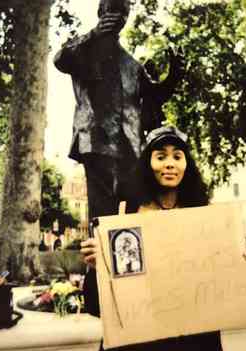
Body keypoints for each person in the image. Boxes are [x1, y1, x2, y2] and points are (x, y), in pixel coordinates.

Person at [80, 126, 230, 351]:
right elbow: (96, 304)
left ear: (187, 165)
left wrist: (241, 261)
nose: (169, 163)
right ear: (148, 163)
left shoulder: (204, 218)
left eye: (178, 156)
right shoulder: (123, 216)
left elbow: (221, 287)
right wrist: (96, 266)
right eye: (160, 156)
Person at [53, 0, 183, 221]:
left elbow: (154, 96)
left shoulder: (132, 65)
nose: (118, 16)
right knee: (103, 209)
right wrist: (95, 34)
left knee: (133, 206)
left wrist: (174, 76)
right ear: (101, 12)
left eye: (124, 12)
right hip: (97, 140)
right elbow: (61, 59)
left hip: (130, 145)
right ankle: (101, 252)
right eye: (113, 9)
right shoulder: (84, 49)